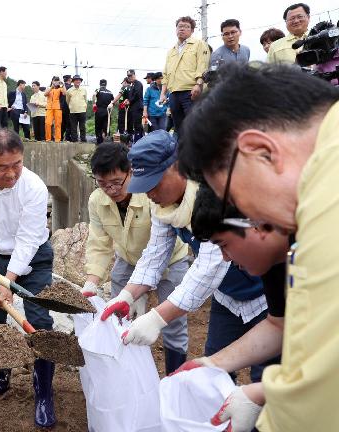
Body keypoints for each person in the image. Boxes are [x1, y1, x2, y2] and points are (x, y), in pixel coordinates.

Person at [176, 62, 339, 432]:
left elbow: (316, 405)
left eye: (233, 197)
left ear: (260, 151)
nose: (248, 216)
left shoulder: (327, 190)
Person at [102, 131, 270, 377]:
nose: (149, 194)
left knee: (265, 374)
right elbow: (155, 253)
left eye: (154, 184)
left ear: (178, 167)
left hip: (266, 294)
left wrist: (158, 317)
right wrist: (128, 294)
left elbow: (210, 265)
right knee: (214, 372)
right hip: (227, 296)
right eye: (144, 187)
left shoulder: (214, 192)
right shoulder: (163, 206)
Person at [172, 185, 288, 432]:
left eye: (224, 244)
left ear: (253, 224)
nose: (225, 258)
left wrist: (261, 391)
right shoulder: (272, 263)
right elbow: (279, 325)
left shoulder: (318, 253)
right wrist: (212, 363)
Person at [0, 128, 56, 428]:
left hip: (35, 258)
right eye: (3, 167)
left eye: (17, 163)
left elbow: (29, 240)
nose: (12, 173)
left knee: (40, 323)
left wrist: (9, 282)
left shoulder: (34, 187)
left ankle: (43, 391)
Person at [81, 143, 190, 375]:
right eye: (102, 183)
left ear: (130, 171)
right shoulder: (96, 201)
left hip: (170, 261)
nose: (110, 189)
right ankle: (129, 373)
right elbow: (99, 243)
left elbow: (158, 247)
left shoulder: (152, 194)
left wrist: (140, 291)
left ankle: (175, 376)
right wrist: (92, 281)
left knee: (172, 322)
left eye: (116, 182)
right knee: (119, 316)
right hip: (127, 261)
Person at [159, 16, 210, 136]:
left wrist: (198, 84)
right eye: (180, 26)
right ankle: (181, 153)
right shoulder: (171, 50)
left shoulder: (199, 44)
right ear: (176, 29)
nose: (182, 29)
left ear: (192, 30)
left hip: (191, 91)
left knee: (193, 125)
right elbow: (166, 73)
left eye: (186, 27)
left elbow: (202, 65)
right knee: (179, 127)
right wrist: (163, 93)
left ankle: (197, 153)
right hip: (174, 93)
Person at [44, 76, 66, 142]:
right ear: (52, 81)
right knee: (48, 123)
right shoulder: (49, 88)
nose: (56, 82)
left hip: (57, 107)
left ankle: (57, 139)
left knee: (58, 123)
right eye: (54, 80)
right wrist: (52, 86)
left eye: (57, 80)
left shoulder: (60, 88)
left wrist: (63, 84)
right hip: (49, 108)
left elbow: (65, 93)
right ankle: (48, 139)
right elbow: (45, 94)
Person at [65, 74, 87, 142]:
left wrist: (84, 106)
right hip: (73, 111)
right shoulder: (69, 91)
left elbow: (85, 100)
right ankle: (75, 140)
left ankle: (83, 139)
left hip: (82, 110)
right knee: (73, 127)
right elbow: (67, 100)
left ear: (80, 81)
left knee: (82, 127)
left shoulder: (84, 90)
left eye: (79, 80)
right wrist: (71, 106)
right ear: (73, 81)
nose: (78, 81)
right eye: (76, 80)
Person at [125, 69, 144, 143]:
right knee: (135, 125)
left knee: (137, 125)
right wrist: (127, 100)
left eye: (130, 76)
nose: (129, 77)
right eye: (128, 76)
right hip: (133, 107)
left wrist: (129, 101)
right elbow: (131, 96)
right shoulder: (132, 85)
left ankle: (138, 141)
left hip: (137, 107)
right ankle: (140, 140)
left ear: (134, 75)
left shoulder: (138, 83)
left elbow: (137, 95)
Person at [92, 79, 113, 145]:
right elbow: (113, 101)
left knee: (98, 127)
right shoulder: (110, 92)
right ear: (106, 84)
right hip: (107, 111)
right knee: (106, 126)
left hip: (99, 110)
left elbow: (93, 95)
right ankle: (107, 141)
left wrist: (94, 104)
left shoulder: (98, 90)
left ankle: (99, 141)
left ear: (100, 84)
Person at [61, 74, 72, 141]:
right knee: (69, 123)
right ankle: (67, 138)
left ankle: (61, 137)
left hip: (61, 107)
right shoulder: (72, 87)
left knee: (62, 123)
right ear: (69, 79)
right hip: (69, 107)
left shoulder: (60, 86)